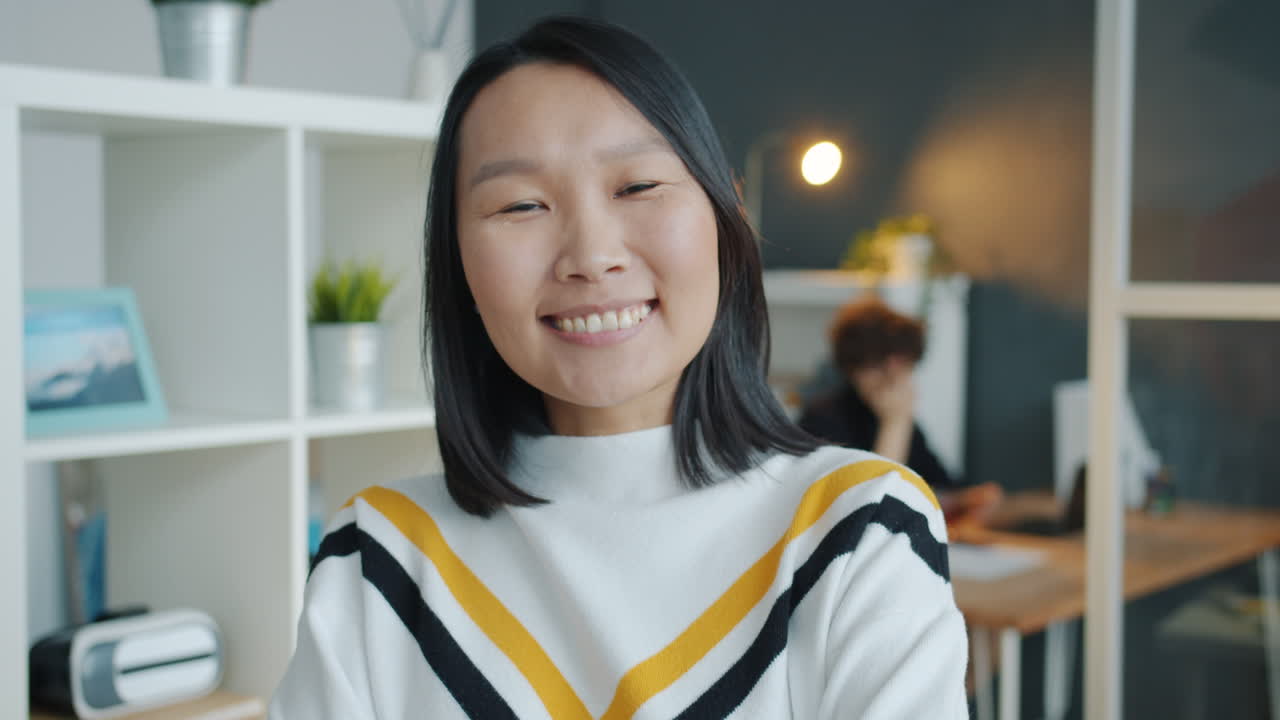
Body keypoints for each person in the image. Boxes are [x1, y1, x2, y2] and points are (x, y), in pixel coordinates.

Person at [270, 16, 967, 719]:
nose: (591, 254)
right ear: (457, 265)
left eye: (636, 186)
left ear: (725, 215)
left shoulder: (857, 529)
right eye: (520, 204)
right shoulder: (379, 558)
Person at [798, 297, 1002, 529]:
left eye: (904, 365)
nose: (895, 377)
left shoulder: (903, 422)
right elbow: (869, 512)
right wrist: (894, 423)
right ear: (853, 367)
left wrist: (966, 501)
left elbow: (940, 487)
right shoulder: (821, 420)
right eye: (880, 364)